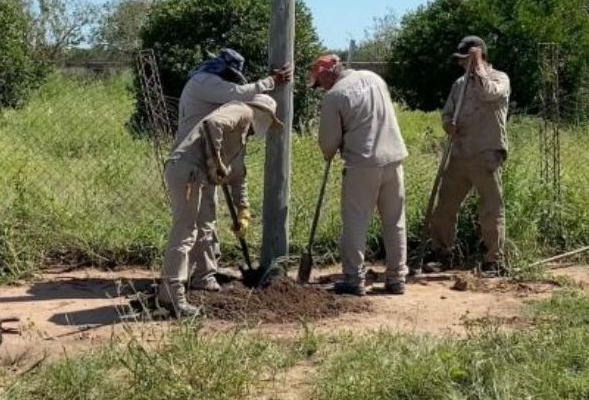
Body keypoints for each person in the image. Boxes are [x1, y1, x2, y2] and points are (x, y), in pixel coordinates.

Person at [174, 49, 292, 292]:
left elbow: (238, 174)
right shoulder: (205, 82)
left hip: (197, 164)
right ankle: (201, 278)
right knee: (200, 223)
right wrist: (271, 81)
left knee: (206, 220)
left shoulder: (232, 126)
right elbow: (236, 95)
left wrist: (243, 209)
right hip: (192, 163)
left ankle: (207, 270)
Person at [159, 94, 283, 318]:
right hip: (188, 171)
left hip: (196, 176)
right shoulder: (243, 110)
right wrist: (215, 160)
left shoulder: (241, 136)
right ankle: (171, 295)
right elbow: (212, 123)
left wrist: (243, 210)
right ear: (263, 116)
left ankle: (197, 280)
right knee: (185, 232)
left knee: (200, 227)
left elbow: (238, 176)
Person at [310, 54, 408, 296]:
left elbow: (328, 143)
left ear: (327, 74)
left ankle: (353, 279)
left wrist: (330, 150)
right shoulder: (373, 78)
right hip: (394, 157)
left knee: (356, 220)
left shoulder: (335, 96)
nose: (321, 87)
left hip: (362, 163)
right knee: (395, 221)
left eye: (320, 82)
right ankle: (397, 278)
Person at [425, 36, 511, 278]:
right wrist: (448, 126)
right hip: (460, 153)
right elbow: (447, 113)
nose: (463, 63)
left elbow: (488, 93)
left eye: (467, 58)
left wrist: (479, 65)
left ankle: (493, 261)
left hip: (487, 153)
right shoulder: (459, 85)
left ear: (479, 55)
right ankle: (442, 254)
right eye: (462, 60)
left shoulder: (499, 78)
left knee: (491, 208)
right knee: (445, 207)